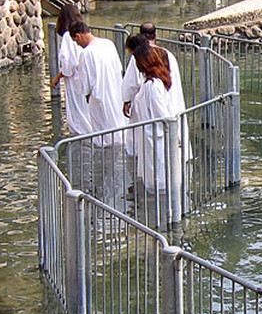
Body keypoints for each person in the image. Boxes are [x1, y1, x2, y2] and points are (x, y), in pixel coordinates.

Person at [129, 45, 186, 191]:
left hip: (156, 135)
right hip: (152, 135)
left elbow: (161, 112)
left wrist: (174, 133)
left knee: (159, 170)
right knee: (155, 167)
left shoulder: (153, 85)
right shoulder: (151, 84)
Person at [70, 21, 127, 146]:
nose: (78, 45)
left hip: (98, 95)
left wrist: (86, 94)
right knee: (118, 123)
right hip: (115, 89)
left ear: (78, 36)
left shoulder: (86, 53)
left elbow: (86, 81)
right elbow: (119, 67)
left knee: (103, 132)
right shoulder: (108, 44)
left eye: (76, 41)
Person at [121, 22, 184, 118]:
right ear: (156, 35)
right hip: (172, 101)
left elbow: (131, 83)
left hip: (151, 109)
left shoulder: (139, 57)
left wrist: (127, 100)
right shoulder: (168, 54)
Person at [50, 5, 91, 136]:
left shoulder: (68, 36)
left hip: (74, 80)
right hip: (82, 76)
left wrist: (58, 77)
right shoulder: (83, 32)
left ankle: (80, 136)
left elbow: (69, 65)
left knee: (78, 112)